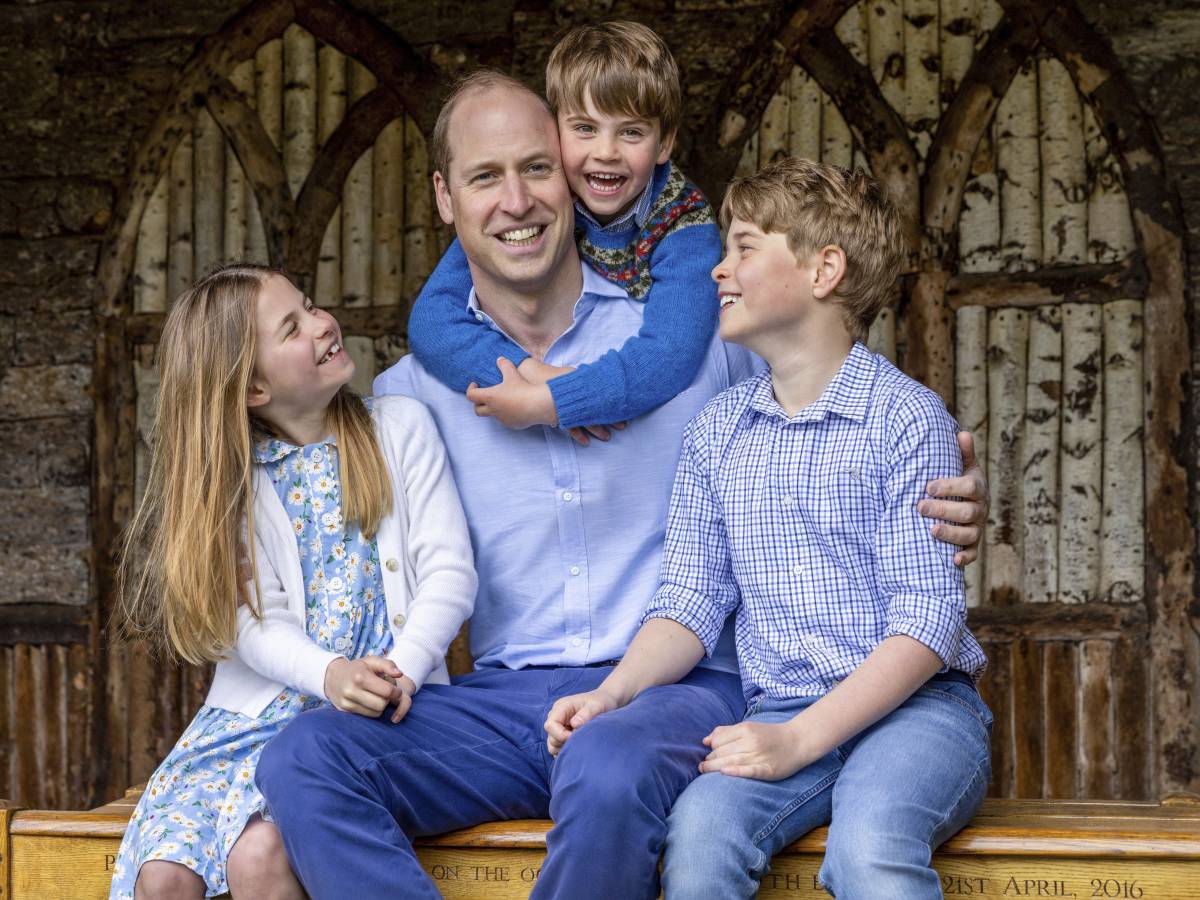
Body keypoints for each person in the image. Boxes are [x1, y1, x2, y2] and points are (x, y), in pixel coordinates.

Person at [254, 73, 988, 900]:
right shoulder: (409, 397)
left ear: (572, 179)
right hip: (506, 703)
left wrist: (955, 486)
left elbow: (833, 409)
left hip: (680, 691)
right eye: (485, 177)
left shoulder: (694, 342)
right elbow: (290, 479)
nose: (517, 200)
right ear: (444, 198)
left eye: (537, 168)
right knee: (304, 757)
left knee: (607, 765)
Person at [544, 157, 992, 899]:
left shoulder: (906, 419)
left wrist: (799, 740)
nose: (719, 269)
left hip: (920, 714)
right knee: (699, 838)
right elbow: (689, 601)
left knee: (870, 846)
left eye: (745, 247)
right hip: (781, 707)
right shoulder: (718, 432)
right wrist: (611, 694)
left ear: (824, 270)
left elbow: (928, 620)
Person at [108, 264, 476, 900]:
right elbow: (254, 624)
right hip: (250, 722)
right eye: (292, 327)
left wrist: (403, 671)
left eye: (310, 305)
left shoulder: (400, 429)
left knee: (259, 857)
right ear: (254, 387)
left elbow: (450, 573)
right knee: (163, 876)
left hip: (379, 713)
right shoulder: (235, 484)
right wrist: (329, 673)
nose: (322, 322)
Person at [407, 22, 720, 437]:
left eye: (631, 132)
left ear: (664, 145)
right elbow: (431, 321)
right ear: (555, 132)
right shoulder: (549, 200)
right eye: (585, 129)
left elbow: (671, 354)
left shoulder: (685, 224)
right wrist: (528, 373)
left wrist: (557, 401)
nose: (605, 153)